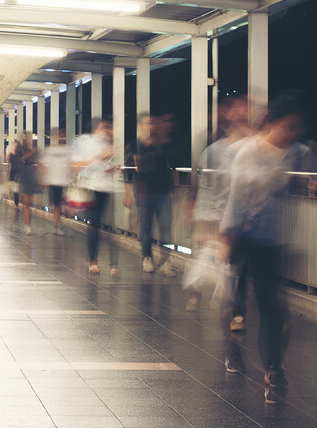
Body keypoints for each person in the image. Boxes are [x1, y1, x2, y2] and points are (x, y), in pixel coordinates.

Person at [220, 92, 317, 404]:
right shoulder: (248, 153)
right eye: (288, 127)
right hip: (250, 238)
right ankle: (267, 364)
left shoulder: (299, 152)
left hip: (281, 239)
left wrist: (316, 185)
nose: (293, 134)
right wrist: (229, 238)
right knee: (259, 303)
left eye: (297, 128)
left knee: (273, 307)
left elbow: (310, 181)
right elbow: (236, 200)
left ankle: (271, 364)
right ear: (273, 123)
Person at [188, 95, 252, 313]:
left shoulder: (256, 146)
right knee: (233, 263)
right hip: (225, 216)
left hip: (247, 217)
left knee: (237, 264)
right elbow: (206, 187)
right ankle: (236, 309)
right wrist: (205, 219)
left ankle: (234, 307)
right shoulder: (215, 151)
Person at [129, 113, 177, 274]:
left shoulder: (161, 144)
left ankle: (165, 261)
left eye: (153, 123)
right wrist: (129, 194)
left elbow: (170, 167)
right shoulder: (136, 145)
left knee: (165, 228)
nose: (151, 126)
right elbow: (132, 171)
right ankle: (147, 258)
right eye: (147, 123)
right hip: (144, 193)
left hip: (163, 192)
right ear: (139, 127)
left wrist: (173, 188)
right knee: (146, 228)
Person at [73, 118, 121, 276]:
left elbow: (106, 166)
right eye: (104, 128)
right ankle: (93, 261)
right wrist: (101, 156)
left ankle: (113, 265)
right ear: (96, 129)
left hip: (106, 188)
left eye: (109, 128)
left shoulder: (108, 144)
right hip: (91, 188)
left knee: (111, 228)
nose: (107, 131)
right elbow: (78, 166)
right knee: (94, 225)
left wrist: (110, 168)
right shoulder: (85, 142)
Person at [40, 128, 73, 235]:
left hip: (65, 182)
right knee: (57, 205)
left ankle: (59, 223)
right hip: (54, 181)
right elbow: (43, 163)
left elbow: (72, 163)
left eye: (62, 135)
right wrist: (45, 178)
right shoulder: (51, 150)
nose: (60, 137)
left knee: (65, 204)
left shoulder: (68, 150)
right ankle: (57, 225)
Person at [18, 133, 41, 234]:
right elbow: (23, 158)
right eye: (27, 138)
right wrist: (33, 152)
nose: (28, 139)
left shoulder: (32, 150)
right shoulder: (20, 149)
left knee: (29, 203)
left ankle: (28, 224)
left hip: (32, 178)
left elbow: (37, 162)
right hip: (24, 177)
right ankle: (27, 225)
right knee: (26, 203)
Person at [7, 140, 23, 210]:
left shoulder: (20, 154)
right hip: (13, 172)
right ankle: (16, 202)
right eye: (14, 146)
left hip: (19, 172)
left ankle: (17, 202)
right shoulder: (10, 155)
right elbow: (8, 164)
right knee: (15, 188)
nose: (15, 147)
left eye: (16, 146)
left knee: (17, 188)